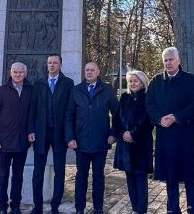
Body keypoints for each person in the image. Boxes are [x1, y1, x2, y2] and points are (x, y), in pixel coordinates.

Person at [145, 47, 194, 214]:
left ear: (179, 61)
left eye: (171, 59)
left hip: (184, 135)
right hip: (165, 135)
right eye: (165, 60)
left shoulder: (189, 79)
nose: (168, 63)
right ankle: (172, 209)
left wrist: (176, 117)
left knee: (190, 176)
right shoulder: (156, 81)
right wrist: (159, 119)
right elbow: (149, 104)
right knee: (170, 177)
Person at [65, 62, 119, 214]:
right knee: (81, 177)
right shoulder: (76, 90)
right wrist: (70, 138)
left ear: (98, 72)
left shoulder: (107, 90)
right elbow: (68, 116)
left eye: (92, 70)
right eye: (87, 70)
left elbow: (117, 114)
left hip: (100, 142)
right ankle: (79, 208)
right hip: (80, 143)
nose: (89, 72)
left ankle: (98, 208)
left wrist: (113, 134)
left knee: (98, 177)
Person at [28, 54, 74, 214]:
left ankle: (55, 205)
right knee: (38, 172)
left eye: (55, 62)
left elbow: (70, 111)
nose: (52, 65)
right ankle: (37, 206)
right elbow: (32, 109)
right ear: (47, 65)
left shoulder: (68, 83)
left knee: (60, 171)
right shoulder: (39, 83)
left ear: (61, 65)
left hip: (59, 133)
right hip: (41, 133)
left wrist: (69, 135)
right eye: (49, 63)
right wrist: (31, 130)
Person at [0, 62, 33, 214]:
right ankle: (2, 206)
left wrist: (31, 131)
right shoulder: (1, 91)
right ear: (10, 73)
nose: (18, 74)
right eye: (15, 72)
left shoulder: (30, 90)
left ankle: (15, 206)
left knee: (18, 177)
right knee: (3, 175)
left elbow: (33, 115)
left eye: (20, 72)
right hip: (4, 142)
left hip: (22, 143)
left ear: (25, 74)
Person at [112, 70, 153, 214]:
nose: (132, 83)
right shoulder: (124, 97)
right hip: (125, 146)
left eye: (136, 81)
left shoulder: (148, 98)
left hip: (141, 145)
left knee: (140, 179)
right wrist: (122, 133)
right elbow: (116, 119)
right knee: (129, 178)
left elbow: (149, 121)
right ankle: (135, 209)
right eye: (130, 81)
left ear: (142, 82)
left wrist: (134, 134)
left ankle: (141, 210)